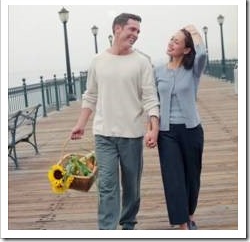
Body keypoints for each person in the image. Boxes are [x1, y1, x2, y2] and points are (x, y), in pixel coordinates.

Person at [70, 13, 159, 230]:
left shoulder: (142, 62)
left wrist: (153, 128)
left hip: (132, 133)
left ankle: (128, 223)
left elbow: (150, 97)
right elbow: (90, 95)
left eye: (138, 31)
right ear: (117, 29)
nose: (135, 35)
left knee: (131, 186)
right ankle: (107, 230)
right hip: (104, 134)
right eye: (132, 29)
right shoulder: (98, 61)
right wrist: (81, 123)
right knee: (107, 185)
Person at [146, 25, 206, 230]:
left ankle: (189, 214)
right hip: (167, 132)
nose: (171, 43)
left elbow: (203, 52)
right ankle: (182, 224)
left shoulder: (194, 69)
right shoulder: (158, 71)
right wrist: (152, 129)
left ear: (187, 49)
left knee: (192, 176)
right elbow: (152, 102)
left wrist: (194, 31)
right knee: (173, 178)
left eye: (177, 41)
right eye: (171, 39)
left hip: (191, 130)